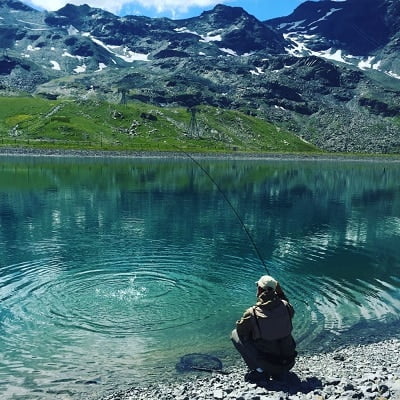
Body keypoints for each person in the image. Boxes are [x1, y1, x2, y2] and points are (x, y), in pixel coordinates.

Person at [231, 275, 297, 384]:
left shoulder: (252, 313)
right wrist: (280, 293)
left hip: (270, 366)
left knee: (235, 334)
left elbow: (241, 332)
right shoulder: (286, 307)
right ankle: (275, 370)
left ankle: (260, 371)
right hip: (289, 363)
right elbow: (286, 304)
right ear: (275, 290)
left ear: (260, 289)